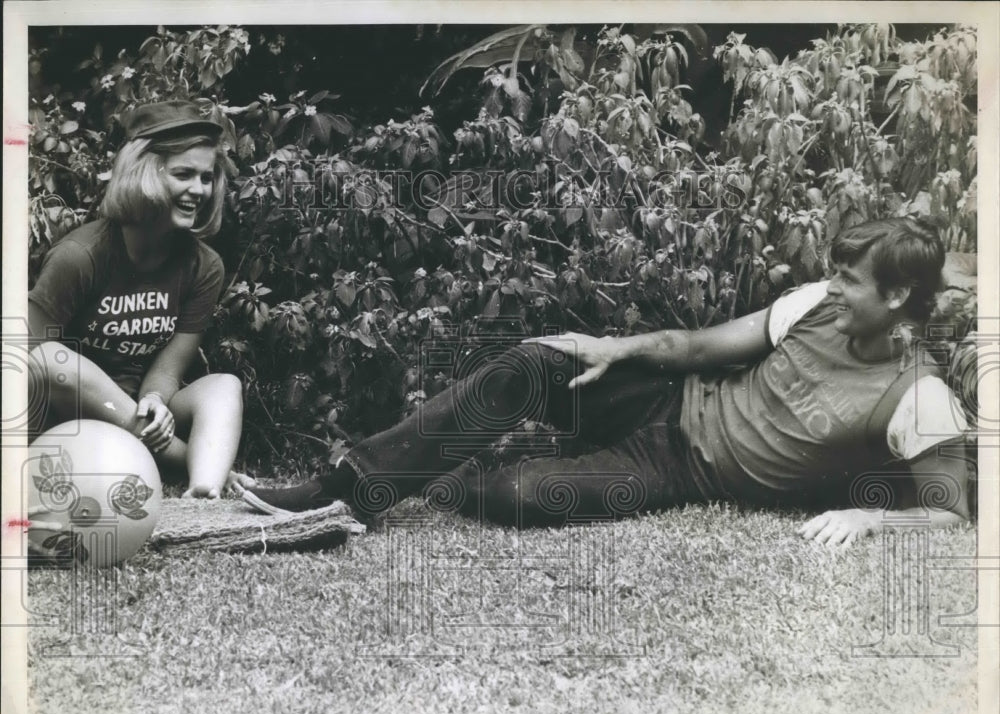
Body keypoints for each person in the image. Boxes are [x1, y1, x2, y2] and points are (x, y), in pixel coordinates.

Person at [242, 217, 972, 546]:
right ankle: (350, 487)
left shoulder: (921, 396)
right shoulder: (813, 305)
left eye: (849, 280)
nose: (833, 288)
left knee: (519, 496)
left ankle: (446, 473)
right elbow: (694, 346)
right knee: (532, 363)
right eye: (836, 275)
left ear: (899, 297)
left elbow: (948, 514)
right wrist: (610, 347)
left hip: (680, 471)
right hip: (668, 399)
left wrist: (869, 517)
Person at [29, 100, 247, 499]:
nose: (199, 189)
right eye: (184, 174)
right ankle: (187, 461)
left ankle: (205, 490)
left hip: (138, 413)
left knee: (223, 386)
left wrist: (154, 400)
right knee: (52, 359)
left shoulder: (204, 266)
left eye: (207, 176)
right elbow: (27, 361)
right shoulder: (81, 256)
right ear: (144, 171)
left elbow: (167, 370)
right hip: (67, 420)